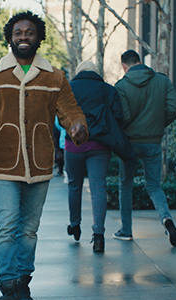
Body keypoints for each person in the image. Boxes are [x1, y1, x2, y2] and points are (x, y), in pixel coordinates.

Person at [0, 11, 88, 300]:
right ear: (10, 38)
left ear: (39, 38)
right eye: (18, 32)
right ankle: (9, 290)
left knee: (29, 231)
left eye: (30, 32)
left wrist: (77, 125)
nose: (24, 36)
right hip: (2, 162)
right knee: (6, 227)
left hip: (39, 164)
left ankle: (24, 285)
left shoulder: (54, 76)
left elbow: (70, 110)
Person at [114, 50, 176, 246]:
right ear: (140, 62)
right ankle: (166, 219)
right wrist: (159, 123)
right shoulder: (162, 81)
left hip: (129, 143)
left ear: (124, 66)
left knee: (125, 185)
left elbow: (123, 117)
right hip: (153, 141)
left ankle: (126, 230)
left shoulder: (122, 86)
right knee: (153, 185)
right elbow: (175, 106)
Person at [65, 60, 124, 253]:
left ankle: (75, 225)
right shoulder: (108, 89)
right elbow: (119, 115)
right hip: (100, 145)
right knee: (98, 187)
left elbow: (59, 116)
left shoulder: (69, 88)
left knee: (74, 185)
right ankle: (98, 235)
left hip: (73, 146)